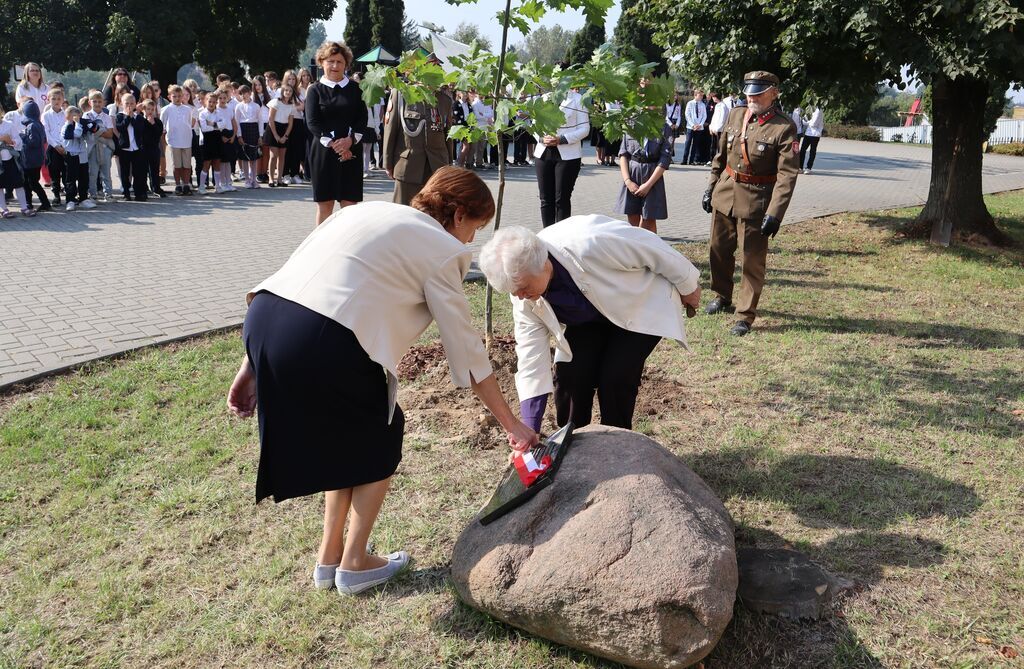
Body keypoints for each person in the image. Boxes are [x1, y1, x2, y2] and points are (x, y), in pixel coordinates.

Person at [227, 166, 538, 595]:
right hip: (326, 336)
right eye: (476, 227)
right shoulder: (443, 248)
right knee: (382, 435)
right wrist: (513, 425)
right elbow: (468, 351)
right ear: (458, 213)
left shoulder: (364, 212)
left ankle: (328, 557)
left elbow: (299, 278)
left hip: (265, 317)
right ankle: (354, 562)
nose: (471, 239)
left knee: (349, 435)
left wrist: (254, 363)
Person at [478, 218, 701, 433]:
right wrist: (530, 425)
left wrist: (688, 285)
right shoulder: (523, 292)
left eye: (523, 288)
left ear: (543, 265)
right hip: (589, 318)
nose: (519, 296)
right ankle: (571, 441)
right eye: (512, 291)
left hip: (638, 303)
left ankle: (617, 443)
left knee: (616, 376)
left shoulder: (590, 241)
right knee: (571, 375)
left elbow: (651, 247)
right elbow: (531, 359)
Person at [701, 70, 799, 337]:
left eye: (758, 91)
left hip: (756, 201)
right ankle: (722, 295)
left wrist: (775, 213)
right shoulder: (735, 115)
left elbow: (787, 175)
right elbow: (719, 156)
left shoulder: (783, 127)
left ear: (774, 93)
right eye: (749, 91)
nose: (752, 95)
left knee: (751, 260)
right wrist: (710, 187)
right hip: (725, 193)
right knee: (718, 249)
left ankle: (745, 315)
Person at [305, 41, 368, 226]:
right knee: (325, 204)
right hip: (324, 153)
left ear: (346, 64)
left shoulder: (356, 89)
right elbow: (312, 122)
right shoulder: (314, 90)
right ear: (321, 63)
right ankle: (322, 248)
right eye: (330, 61)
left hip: (351, 152)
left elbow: (362, 120)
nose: (335, 66)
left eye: (339, 62)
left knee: (350, 205)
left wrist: (349, 141)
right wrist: (335, 145)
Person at [382, 59, 453, 205]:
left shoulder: (445, 100)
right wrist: (388, 162)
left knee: (434, 214)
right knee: (403, 212)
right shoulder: (402, 95)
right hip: (408, 166)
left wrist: (449, 164)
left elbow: (448, 135)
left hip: (437, 166)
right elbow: (391, 129)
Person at [533, 85, 590, 227]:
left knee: (562, 199)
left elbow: (585, 129)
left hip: (568, 155)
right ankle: (546, 236)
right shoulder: (544, 98)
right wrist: (541, 138)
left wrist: (562, 139)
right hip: (543, 153)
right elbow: (534, 125)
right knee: (545, 199)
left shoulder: (578, 100)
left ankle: (561, 238)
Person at [616, 125, 673, 233]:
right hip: (632, 175)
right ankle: (633, 247)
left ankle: (649, 248)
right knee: (632, 217)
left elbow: (665, 159)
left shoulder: (664, 128)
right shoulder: (630, 125)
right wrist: (628, 181)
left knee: (648, 219)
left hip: (652, 176)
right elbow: (623, 154)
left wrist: (648, 185)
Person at [160, 85, 195, 196]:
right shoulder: (166, 110)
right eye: (174, 96)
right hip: (174, 141)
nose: (177, 98)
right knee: (177, 165)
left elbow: (189, 124)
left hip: (186, 140)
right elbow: (162, 125)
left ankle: (186, 184)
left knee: (187, 165)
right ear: (170, 97)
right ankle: (178, 185)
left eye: (180, 96)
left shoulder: (188, 109)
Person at [0, 104, 34, 218]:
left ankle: (24, 207)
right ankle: (3, 209)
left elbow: (18, 141)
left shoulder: (9, 125)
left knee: (18, 184)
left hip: (11, 159)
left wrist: (11, 141)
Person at [83, 91, 116, 202]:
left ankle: (108, 194)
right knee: (92, 173)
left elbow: (110, 134)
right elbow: (86, 132)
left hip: (105, 147)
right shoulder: (86, 116)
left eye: (99, 101)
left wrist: (95, 130)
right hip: (92, 148)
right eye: (94, 101)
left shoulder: (106, 117)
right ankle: (92, 194)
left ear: (103, 103)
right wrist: (101, 130)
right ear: (89, 102)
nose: (97, 104)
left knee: (106, 172)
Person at [18, 99, 50, 211]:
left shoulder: (31, 126)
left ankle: (45, 203)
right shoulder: (39, 124)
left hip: (30, 160)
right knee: (28, 182)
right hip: (36, 159)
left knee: (32, 183)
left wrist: (23, 136)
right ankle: (29, 203)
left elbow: (34, 142)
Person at [234, 84, 263, 189]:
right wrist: (239, 135)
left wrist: (260, 136)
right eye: (240, 94)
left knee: (253, 157)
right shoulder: (238, 106)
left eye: (244, 93)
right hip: (243, 129)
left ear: (250, 93)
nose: (243, 96)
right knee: (244, 157)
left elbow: (260, 121)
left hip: (253, 130)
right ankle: (247, 180)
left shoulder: (256, 106)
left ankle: (253, 179)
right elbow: (237, 122)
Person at [266, 85, 295, 187]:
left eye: (290, 91)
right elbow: (270, 119)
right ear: (282, 91)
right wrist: (276, 136)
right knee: (273, 156)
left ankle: (279, 179)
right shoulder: (275, 102)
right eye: (286, 90)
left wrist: (285, 136)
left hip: (284, 129)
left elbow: (291, 123)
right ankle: (271, 179)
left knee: (282, 156)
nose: (288, 92)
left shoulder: (292, 105)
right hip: (273, 128)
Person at [42, 88, 68, 205]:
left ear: (63, 100)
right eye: (53, 99)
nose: (56, 101)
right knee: (54, 173)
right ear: (49, 100)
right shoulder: (46, 115)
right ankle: (56, 195)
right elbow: (46, 133)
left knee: (67, 173)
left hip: (66, 147)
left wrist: (64, 145)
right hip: (53, 148)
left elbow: (68, 129)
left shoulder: (66, 114)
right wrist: (57, 146)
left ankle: (70, 195)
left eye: (59, 99)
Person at [138, 100, 168, 197]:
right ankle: (143, 189)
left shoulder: (158, 122)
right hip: (143, 149)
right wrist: (145, 121)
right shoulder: (140, 120)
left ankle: (156, 188)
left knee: (154, 170)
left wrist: (153, 124)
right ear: (144, 110)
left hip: (154, 149)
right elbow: (139, 132)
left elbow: (158, 134)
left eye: (152, 109)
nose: (150, 111)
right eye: (148, 109)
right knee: (143, 170)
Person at [198, 92, 225, 193]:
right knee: (206, 164)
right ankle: (201, 186)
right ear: (205, 101)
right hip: (207, 140)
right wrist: (217, 126)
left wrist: (212, 124)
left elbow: (223, 125)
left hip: (217, 140)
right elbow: (204, 128)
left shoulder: (219, 113)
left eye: (214, 102)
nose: (212, 103)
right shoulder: (202, 113)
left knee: (217, 163)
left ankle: (218, 186)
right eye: (210, 101)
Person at [251, 76, 273, 184]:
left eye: (260, 84)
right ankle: (258, 173)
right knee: (258, 150)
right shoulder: (252, 97)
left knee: (266, 150)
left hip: (267, 125)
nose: (258, 87)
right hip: (256, 126)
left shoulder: (268, 96)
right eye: (256, 85)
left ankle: (264, 172)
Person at [216, 90, 238, 192]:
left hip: (230, 136)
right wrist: (221, 137)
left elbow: (234, 123)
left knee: (228, 161)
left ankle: (228, 182)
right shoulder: (216, 110)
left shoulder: (229, 109)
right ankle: (222, 182)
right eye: (220, 98)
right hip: (221, 136)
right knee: (222, 161)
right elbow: (215, 126)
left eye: (224, 98)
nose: (222, 100)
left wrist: (233, 136)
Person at [680, 88, 707, 165]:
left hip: (699, 127)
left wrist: (700, 124)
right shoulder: (690, 103)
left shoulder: (702, 104)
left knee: (695, 144)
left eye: (702, 96)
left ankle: (691, 160)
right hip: (690, 127)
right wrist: (693, 125)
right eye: (700, 95)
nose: (701, 97)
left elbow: (704, 116)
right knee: (688, 143)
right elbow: (687, 115)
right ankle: (684, 160)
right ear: (695, 95)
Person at [800, 105, 824, 174]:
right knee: (802, 150)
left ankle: (808, 168)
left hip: (815, 134)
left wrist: (806, 122)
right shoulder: (810, 109)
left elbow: (813, 123)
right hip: (808, 133)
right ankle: (800, 167)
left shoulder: (819, 110)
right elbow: (805, 119)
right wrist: (806, 121)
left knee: (812, 151)